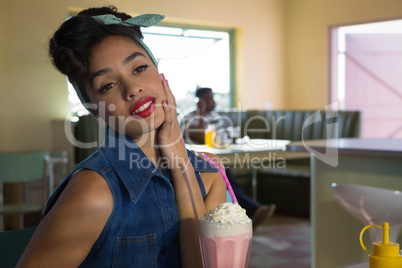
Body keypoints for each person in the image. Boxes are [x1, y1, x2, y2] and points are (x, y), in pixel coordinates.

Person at [17, 6, 227, 268]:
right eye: (107, 85)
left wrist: (179, 159)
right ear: (94, 109)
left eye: (139, 68)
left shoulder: (209, 178)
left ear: (160, 74)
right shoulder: (94, 192)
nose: (132, 89)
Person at [181, 87, 276, 229]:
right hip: (193, 163)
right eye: (208, 99)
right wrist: (201, 112)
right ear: (199, 101)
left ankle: (249, 212)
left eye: (212, 98)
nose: (212, 102)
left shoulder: (216, 118)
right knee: (222, 172)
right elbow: (200, 136)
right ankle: (251, 210)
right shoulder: (187, 117)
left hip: (215, 159)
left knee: (224, 171)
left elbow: (220, 139)